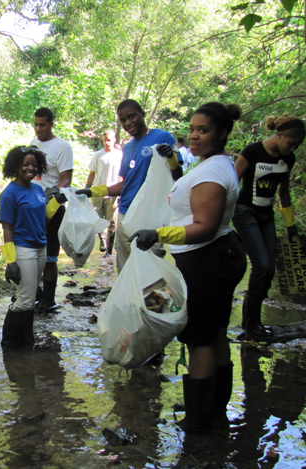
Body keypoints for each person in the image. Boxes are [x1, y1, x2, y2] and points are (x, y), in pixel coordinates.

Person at [130, 102, 246, 433]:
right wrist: (171, 160)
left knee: (200, 341)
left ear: (222, 134)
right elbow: (187, 189)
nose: (194, 136)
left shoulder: (213, 172)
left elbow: (205, 225)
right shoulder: (214, 164)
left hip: (207, 258)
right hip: (216, 255)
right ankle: (215, 413)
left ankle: (197, 419)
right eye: (192, 129)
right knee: (215, 334)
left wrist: (159, 234)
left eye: (203, 130)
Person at [76, 99, 182, 272]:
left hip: (150, 215)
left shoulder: (162, 137)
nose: (127, 123)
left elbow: (177, 176)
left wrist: (171, 158)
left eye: (131, 117)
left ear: (142, 114)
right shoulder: (128, 147)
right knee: (125, 270)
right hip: (125, 213)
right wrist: (92, 191)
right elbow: (124, 185)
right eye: (123, 120)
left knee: (151, 268)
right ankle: (128, 300)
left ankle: (149, 299)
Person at [232, 115, 305, 340]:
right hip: (244, 213)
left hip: (267, 216)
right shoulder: (253, 151)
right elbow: (232, 183)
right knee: (261, 266)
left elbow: (283, 193)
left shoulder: (288, 159)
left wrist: (291, 225)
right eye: (290, 143)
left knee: (270, 269)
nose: (292, 148)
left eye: (296, 146)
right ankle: (251, 324)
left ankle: (253, 320)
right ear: (279, 135)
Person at [0, 145, 67, 348]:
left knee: (31, 298)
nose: (30, 168)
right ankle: (9, 342)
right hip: (23, 249)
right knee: (25, 300)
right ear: (16, 167)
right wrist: (10, 261)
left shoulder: (37, 189)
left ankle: (26, 340)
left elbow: (42, 219)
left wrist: (55, 203)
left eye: (34, 165)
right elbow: (7, 229)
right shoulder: (10, 193)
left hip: (40, 248)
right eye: (25, 164)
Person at [30, 108, 73, 311]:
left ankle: (48, 299)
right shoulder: (33, 144)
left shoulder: (62, 147)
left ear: (51, 124)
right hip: (31, 206)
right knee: (30, 252)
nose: (38, 129)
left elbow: (66, 179)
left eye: (43, 125)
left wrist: (53, 200)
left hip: (52, 207)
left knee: (49, 256)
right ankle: (34, 293)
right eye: (36, 124)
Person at [85, 130, 123, 257]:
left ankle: (110, 250)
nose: (107, 142)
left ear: (114, 140)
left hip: (113, 192)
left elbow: (123, 175)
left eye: (109, 140)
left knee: (111, 222)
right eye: (105, 140)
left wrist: (123, 190)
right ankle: (103, 241)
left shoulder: (120, 155)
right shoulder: (97, 155)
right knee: (97, 220)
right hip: (97, 192)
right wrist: (87, 188)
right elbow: (92, 173)